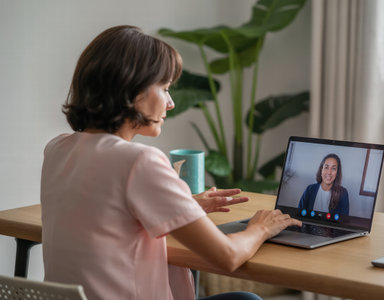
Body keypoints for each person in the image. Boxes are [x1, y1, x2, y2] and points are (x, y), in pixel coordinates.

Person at [40, 25, 302, 300]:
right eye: (165, 89)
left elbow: (105, 216)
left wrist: (185, 209)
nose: (171, 103)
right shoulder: (140, 161)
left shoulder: (57, 149)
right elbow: (228, 256)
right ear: (133, 92)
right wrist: (261, 228)